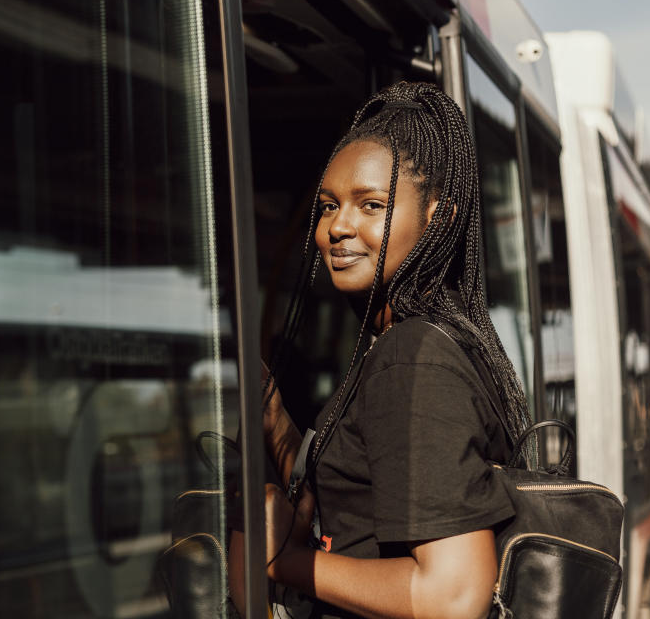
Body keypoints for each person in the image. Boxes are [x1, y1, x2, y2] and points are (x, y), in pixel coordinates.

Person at [227, 81, 533, 619]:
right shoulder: (433, 339)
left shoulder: (412, 355)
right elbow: (364, 504)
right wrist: (276, 422)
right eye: (327, 207)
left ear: (438, 216)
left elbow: (452, 597)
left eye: (372, 205)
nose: (337, 227)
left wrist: (278, 563)